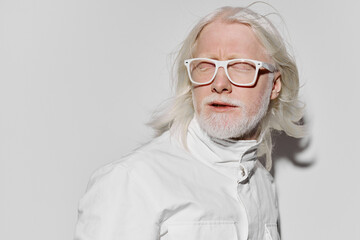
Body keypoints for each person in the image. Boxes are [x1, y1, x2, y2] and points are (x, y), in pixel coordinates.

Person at [74, 5, 304, 240]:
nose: (220, 83)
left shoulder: (264, 184)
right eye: (205, 66)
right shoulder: (131, 182)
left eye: (241, 66)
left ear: (275, 86)